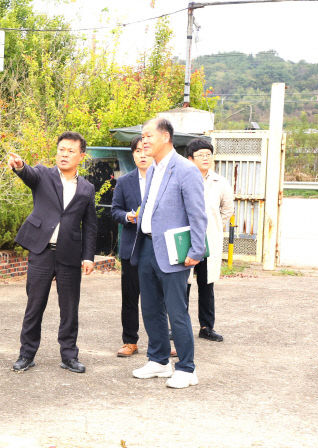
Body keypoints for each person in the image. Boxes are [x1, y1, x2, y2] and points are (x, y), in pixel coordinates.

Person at [8, 131, 97, 374]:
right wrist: (20, 166)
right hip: (41, 251)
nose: (64, 154)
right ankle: (26, 354)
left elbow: (90, 225)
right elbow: (28, 173)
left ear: (81, 156)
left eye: (70, 151)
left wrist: (88, 256)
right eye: (61, 150)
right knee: (35, 305)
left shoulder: (87, 188)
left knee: (69, 308)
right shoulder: (43, 174)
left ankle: (69, 355)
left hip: (70, 253)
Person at [130, 118, 207, 389]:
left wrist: (197, 250)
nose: (144, 141)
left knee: (177, 311)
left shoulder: (186, 170)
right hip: (148, 246)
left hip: (175, 251)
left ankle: (186, 368)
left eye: (149, 135)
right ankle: (159, 361)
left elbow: (198, 214)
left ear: (165, 136)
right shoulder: (153, 169)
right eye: (142, 136)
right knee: (150, 308)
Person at [185, 138, 234, 342]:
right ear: (190, 159)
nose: (205, 158)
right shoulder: (183, 178)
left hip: (209, 241)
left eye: (208, 154)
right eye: (200, 155)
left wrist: (212, 227)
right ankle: (178, 327)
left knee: (207, 285)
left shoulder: (220, 182)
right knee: (182, 285)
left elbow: (227, 210)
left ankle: (206, 327)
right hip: (186, 241)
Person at [111, 136, 152, 357]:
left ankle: (160, 340)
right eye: (137, 151)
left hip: (158, 248)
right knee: (130, 296)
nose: (142, 154)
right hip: (132, 247)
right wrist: (128, 216)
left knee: (160, 297)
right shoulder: (124, 181)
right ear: (133, 154)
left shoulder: (164, 179)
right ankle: (130, 341)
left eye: (146, 150)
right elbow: (114, 210)